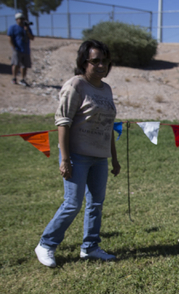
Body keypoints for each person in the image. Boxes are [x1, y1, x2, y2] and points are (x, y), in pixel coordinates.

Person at [35, 40, 120, 268]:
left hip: (100, 158)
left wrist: (114, 158)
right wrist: (65, 159)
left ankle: (90, 247)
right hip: (78, 156)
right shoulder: (75, 85)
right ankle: (46, 244)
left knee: (96, 204)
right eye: (95, 61)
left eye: (105, 60)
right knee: (72, 204)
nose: (101, 65)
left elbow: (108, 125)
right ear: (84, 62)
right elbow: (63, 121)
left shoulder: (107, 89)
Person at [7, 12, 34, 87]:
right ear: (17, 19)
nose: (22, 20)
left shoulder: (27, 28)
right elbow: (10, 38)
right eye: (20, 19)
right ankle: (14, 78)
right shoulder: (12, 28)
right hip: (17, 49)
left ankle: (23, 79)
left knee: (24, 66)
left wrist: (27, 30)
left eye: (23, 19)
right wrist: (13, 47)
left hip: (26, 50)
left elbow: (32, 38)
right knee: (16, 64)